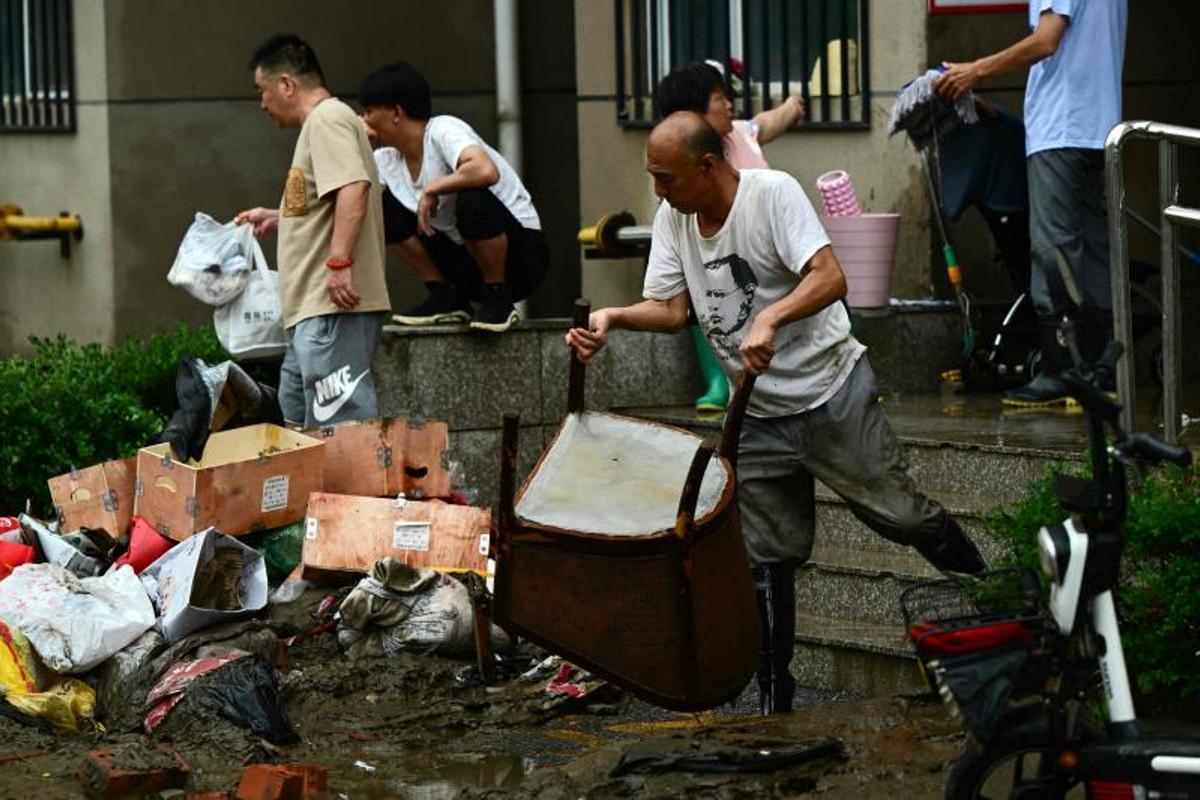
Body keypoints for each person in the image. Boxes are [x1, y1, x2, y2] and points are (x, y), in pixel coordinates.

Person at [565, 112, 987, 715]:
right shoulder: (674, 218)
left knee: (903, 516)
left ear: (707, 165)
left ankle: (993, 599)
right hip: (755, 409)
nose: (658, 190)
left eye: (666, 177)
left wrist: (771, 316)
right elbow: (673, 307)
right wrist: (612, 319)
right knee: (766, 555)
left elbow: (831, 276)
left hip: (830, 391)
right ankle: (773, 702)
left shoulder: (772, 195)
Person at [936, 1, 1128, 406]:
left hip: (1061, 126)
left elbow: (1046, 41)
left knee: (1051, 248)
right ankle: (1099, 369)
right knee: (1092, 250)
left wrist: (974, 71)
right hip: (1100, 126)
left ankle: (1062, 371)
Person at [235, 34, 391, 430]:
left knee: (340, 428)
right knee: (298, 431)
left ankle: (348, 495)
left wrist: (339, 262)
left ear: (286, 84)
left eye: (263, 91)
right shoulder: (326, 122)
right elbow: (329, 199)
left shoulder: (327, 119)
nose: (262, 103)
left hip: (330, 307)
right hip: (314, 310)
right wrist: (278, 216)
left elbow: (353, 188)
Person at [655, 61, 805, 412]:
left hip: (768, 263)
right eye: (719, 98)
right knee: (703, 294)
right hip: (717, 266)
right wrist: (612, 317)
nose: (729, 105)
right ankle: (718, 379)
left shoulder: (740, 134)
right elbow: (670, 308)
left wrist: (792, 105)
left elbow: (766, 122)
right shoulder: (676, 172)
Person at [359, 62, 549, 334]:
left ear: (396, 112)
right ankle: (445, 296)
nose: (364, 120)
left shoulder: (442, 130)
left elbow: (485, 170)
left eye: (368, 112)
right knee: (378, 207)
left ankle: (498, 295)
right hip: (465, 265)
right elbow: (354, 201)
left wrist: (434, 188)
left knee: (471, 196)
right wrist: (354, 141)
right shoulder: (385, 159)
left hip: (521, 260)